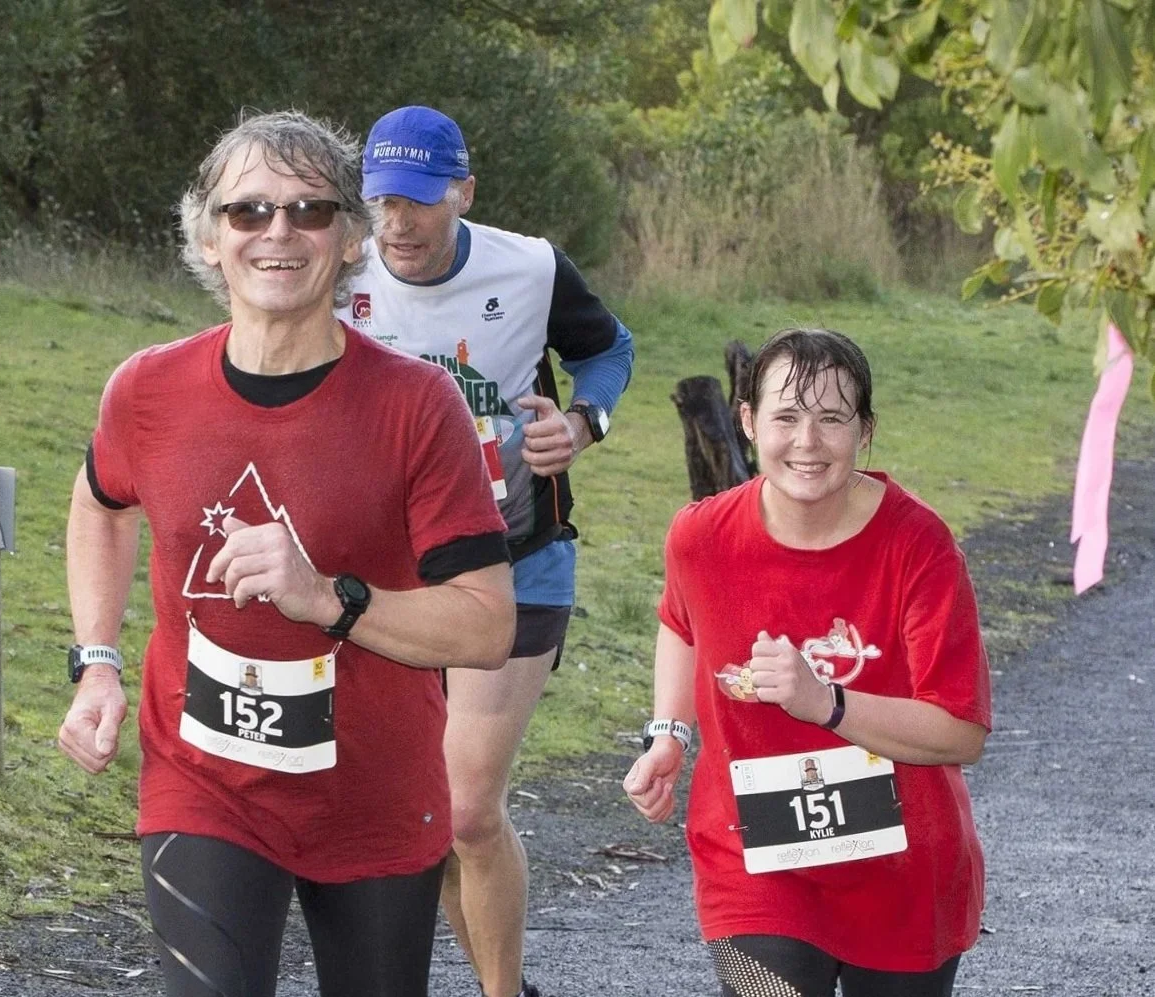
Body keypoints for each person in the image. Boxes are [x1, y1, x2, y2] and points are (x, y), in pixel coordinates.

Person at [56, 109, 516, 997]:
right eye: (249, 211)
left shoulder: (417, 407)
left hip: (376, 794)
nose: (279, 232)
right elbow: (101, 502)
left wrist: (329, 597)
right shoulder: (146, 390)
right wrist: (99, 662)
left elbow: (488, 623)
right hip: (205, 782)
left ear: (351, 240)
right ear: (208, 234)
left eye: (310, 210)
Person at [340, 105, 635, 997]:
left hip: (518, 553)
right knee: (419, 809)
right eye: (383, 201)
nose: (400, 224)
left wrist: (583, 424)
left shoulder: (533, 267)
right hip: (386, 572)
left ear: (464, 193)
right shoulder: (334, 266)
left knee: (466, 809)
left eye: (421, 202)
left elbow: (609, 349)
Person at [624, 328, 992, 997]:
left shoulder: (919, 546)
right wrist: (668, 735)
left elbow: (960, 730)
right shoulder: (699, 536)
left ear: (866, 430)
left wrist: (828, 702)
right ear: (747, 421)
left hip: (903, 868)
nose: (807, 442)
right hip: (753, 862)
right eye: (786, 417)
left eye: (832, 419)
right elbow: (681, 622)